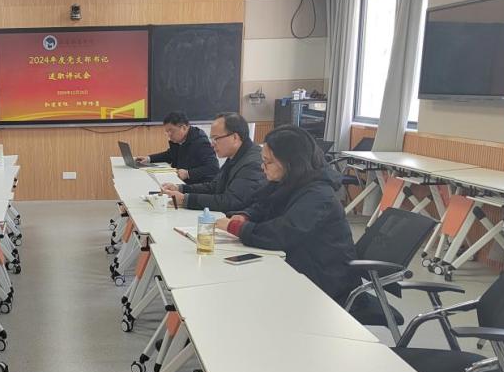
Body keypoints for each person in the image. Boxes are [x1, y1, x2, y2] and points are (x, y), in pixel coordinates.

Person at [214, 125, 358, 303]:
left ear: (291, 162)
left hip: (323, 281)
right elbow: (263, 205)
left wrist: (236, 227)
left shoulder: (319, 195)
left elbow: (282, 233)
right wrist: (246, 216)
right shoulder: (290, 179)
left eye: (268, 162)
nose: (263, 167)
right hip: (296, 264)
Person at [160, 113, 266, 213]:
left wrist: (184, 199)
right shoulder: (236, 155)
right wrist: (181, 188)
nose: (212, 144)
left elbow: (230, 202)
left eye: (216, 138)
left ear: (235, 137)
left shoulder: (252, 164)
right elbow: (215, 186)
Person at [136, 111, 219, 182]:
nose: (169, 134)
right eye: (167, 131)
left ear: (183, 128)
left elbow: (213, 167)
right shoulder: (179, 139)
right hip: (180, 181)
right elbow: (170, 154)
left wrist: (188, 173)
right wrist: (148, 158)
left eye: (171, 130)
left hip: (198, 185)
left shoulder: (200, 142)